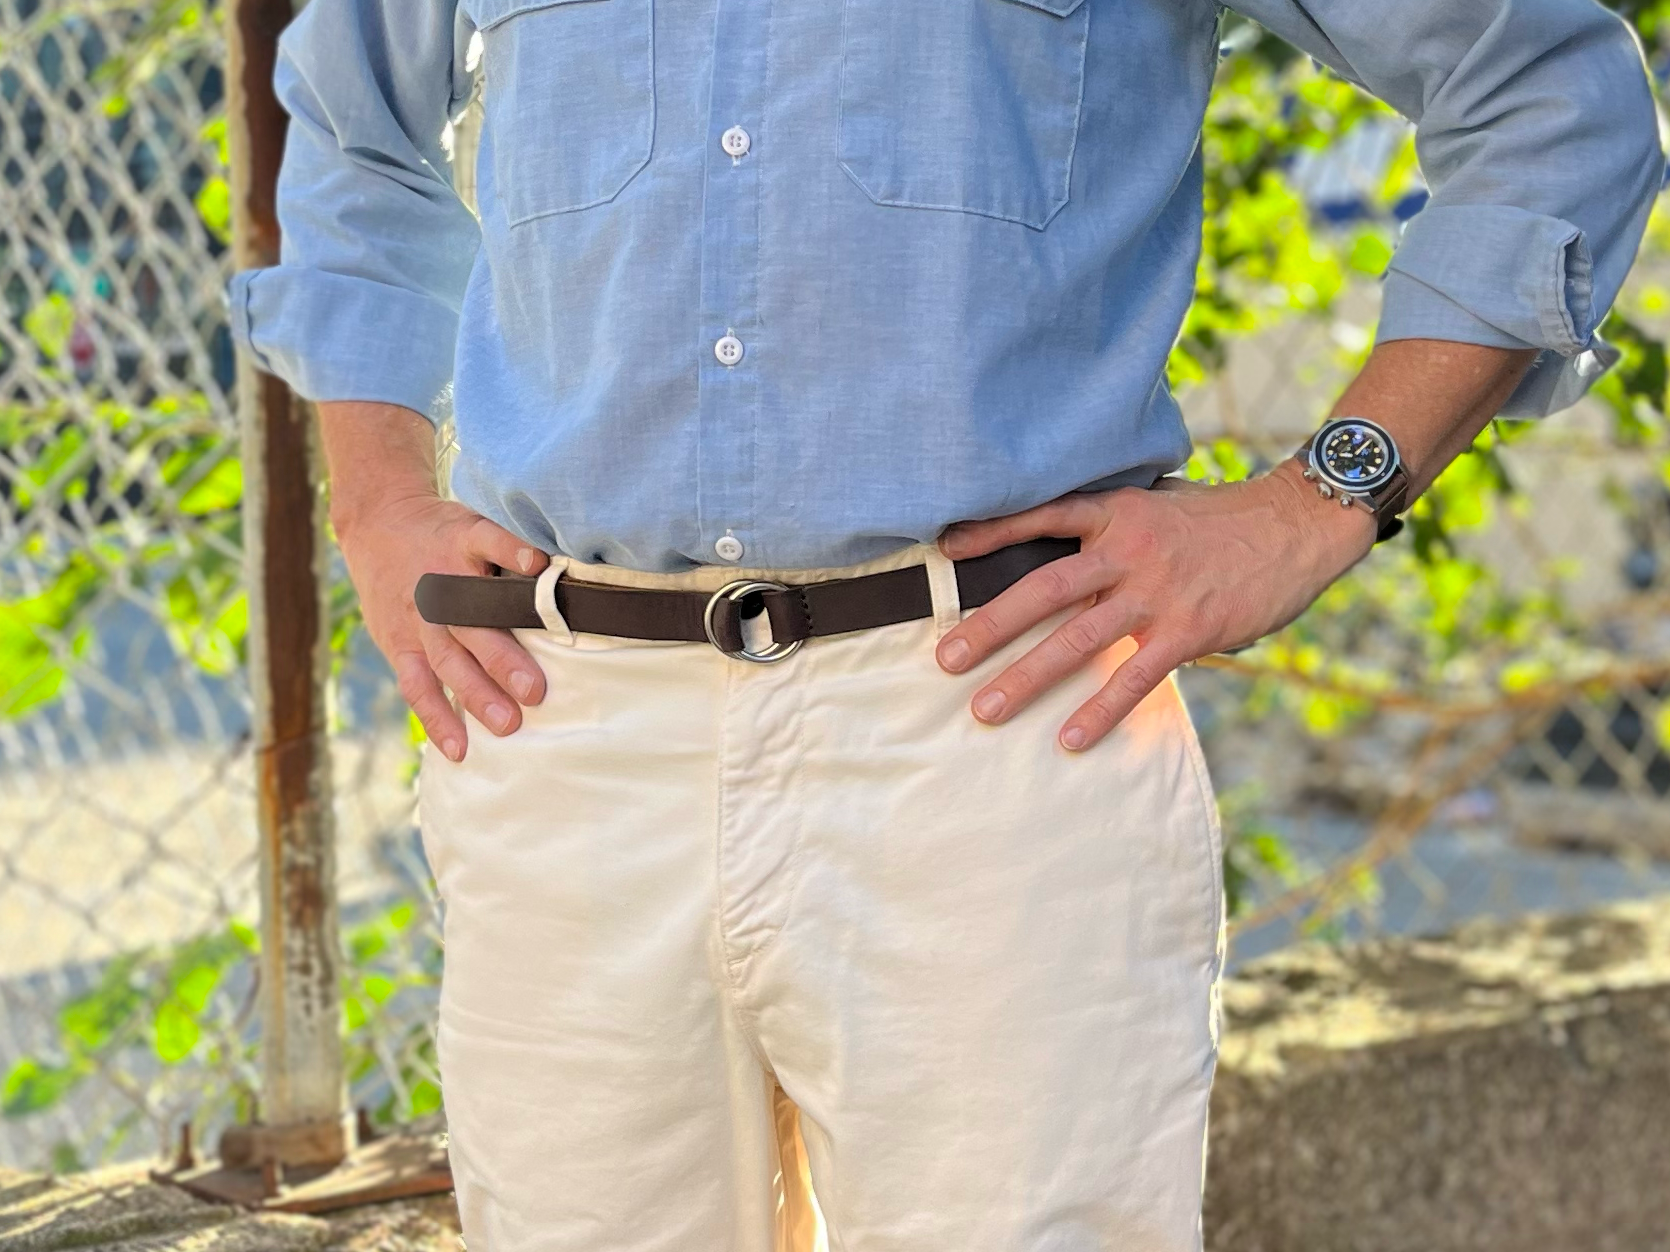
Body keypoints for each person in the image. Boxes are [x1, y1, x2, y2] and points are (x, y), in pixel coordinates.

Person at [227, 0, 1663, 1247]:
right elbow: (349, 131)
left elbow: (1547, 94)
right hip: (566, 725)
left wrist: (1319, 500)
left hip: (999, 721)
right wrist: (377, 500)